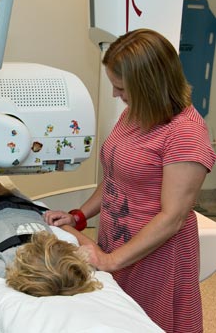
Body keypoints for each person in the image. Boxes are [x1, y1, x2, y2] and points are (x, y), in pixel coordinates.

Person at [43, 28, 216, 332]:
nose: (115, 95)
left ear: (150, 85)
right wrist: (78, 216)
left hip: (156, 257)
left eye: (121, 88)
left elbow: (172, 218)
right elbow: (115, 178)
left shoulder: (185, 133)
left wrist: (112, 261)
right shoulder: (135, 114)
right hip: (118, 245)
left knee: (145, 324)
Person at [0, 176, 102, 297]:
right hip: (28, 210)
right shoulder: (66, 256)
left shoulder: (9, 265)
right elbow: (88, 248)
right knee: (3, 191)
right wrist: (67, 225)